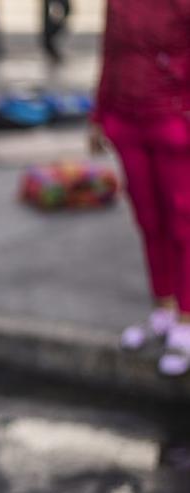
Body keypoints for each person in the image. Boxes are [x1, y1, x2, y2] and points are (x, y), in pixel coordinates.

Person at [91, 1, 190, 377]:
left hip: (173, 120)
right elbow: (110, 53)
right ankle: (163, 309)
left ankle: (186, 318)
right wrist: (99, 115)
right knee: (149, 221)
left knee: (183, 223)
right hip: (127, 120)